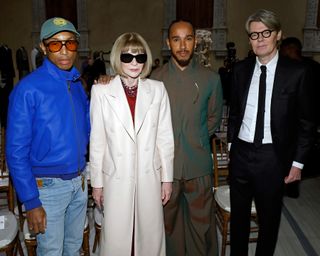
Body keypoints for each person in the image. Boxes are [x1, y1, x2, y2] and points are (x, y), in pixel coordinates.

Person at [228, 9, 316, 255]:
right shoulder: (240, 70)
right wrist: (232, 146)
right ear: (249, 39)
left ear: (278, 34)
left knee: (269, 221)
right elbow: (234, 112)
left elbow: (306, 123)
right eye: (254, 34)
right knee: (239, 221)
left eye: (266, 32)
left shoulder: (297, 73)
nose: (260, 38)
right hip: (241, 155)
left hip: (273, 157)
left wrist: (297, 163)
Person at [6, 17, 90, 256]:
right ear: (43, 47)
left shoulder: (76, 84)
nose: (64, 51)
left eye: (70, 44)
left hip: (79, 182)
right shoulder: (27, 89)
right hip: (48, 188)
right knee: (51, 251)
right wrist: (31, 201)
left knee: (73, 250)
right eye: (55, 44)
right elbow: (16, 152)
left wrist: (106, 93)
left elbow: (88, 127)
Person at [89, 32, 174, 256]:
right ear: (118, 58)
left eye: (140, 56)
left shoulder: (157, 90)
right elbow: (97, 141)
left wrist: (167, 179)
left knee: (149, 237)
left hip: (149, 176)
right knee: (117, 238)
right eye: (127, 57)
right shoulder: (101, 91)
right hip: (115, 177)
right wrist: (96, 183)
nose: (134, 62)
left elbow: (165, 138)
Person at [151, 20, 223, 256]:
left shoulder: (211, 79)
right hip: (165, 170)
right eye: (176, 39)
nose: (183, 46)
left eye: (188, 39)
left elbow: (213, 119)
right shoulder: (154, 80)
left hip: (198, 165)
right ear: (168, 42)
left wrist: (196, 139)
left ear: (195, 41)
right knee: (168, 225)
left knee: (201, 225)